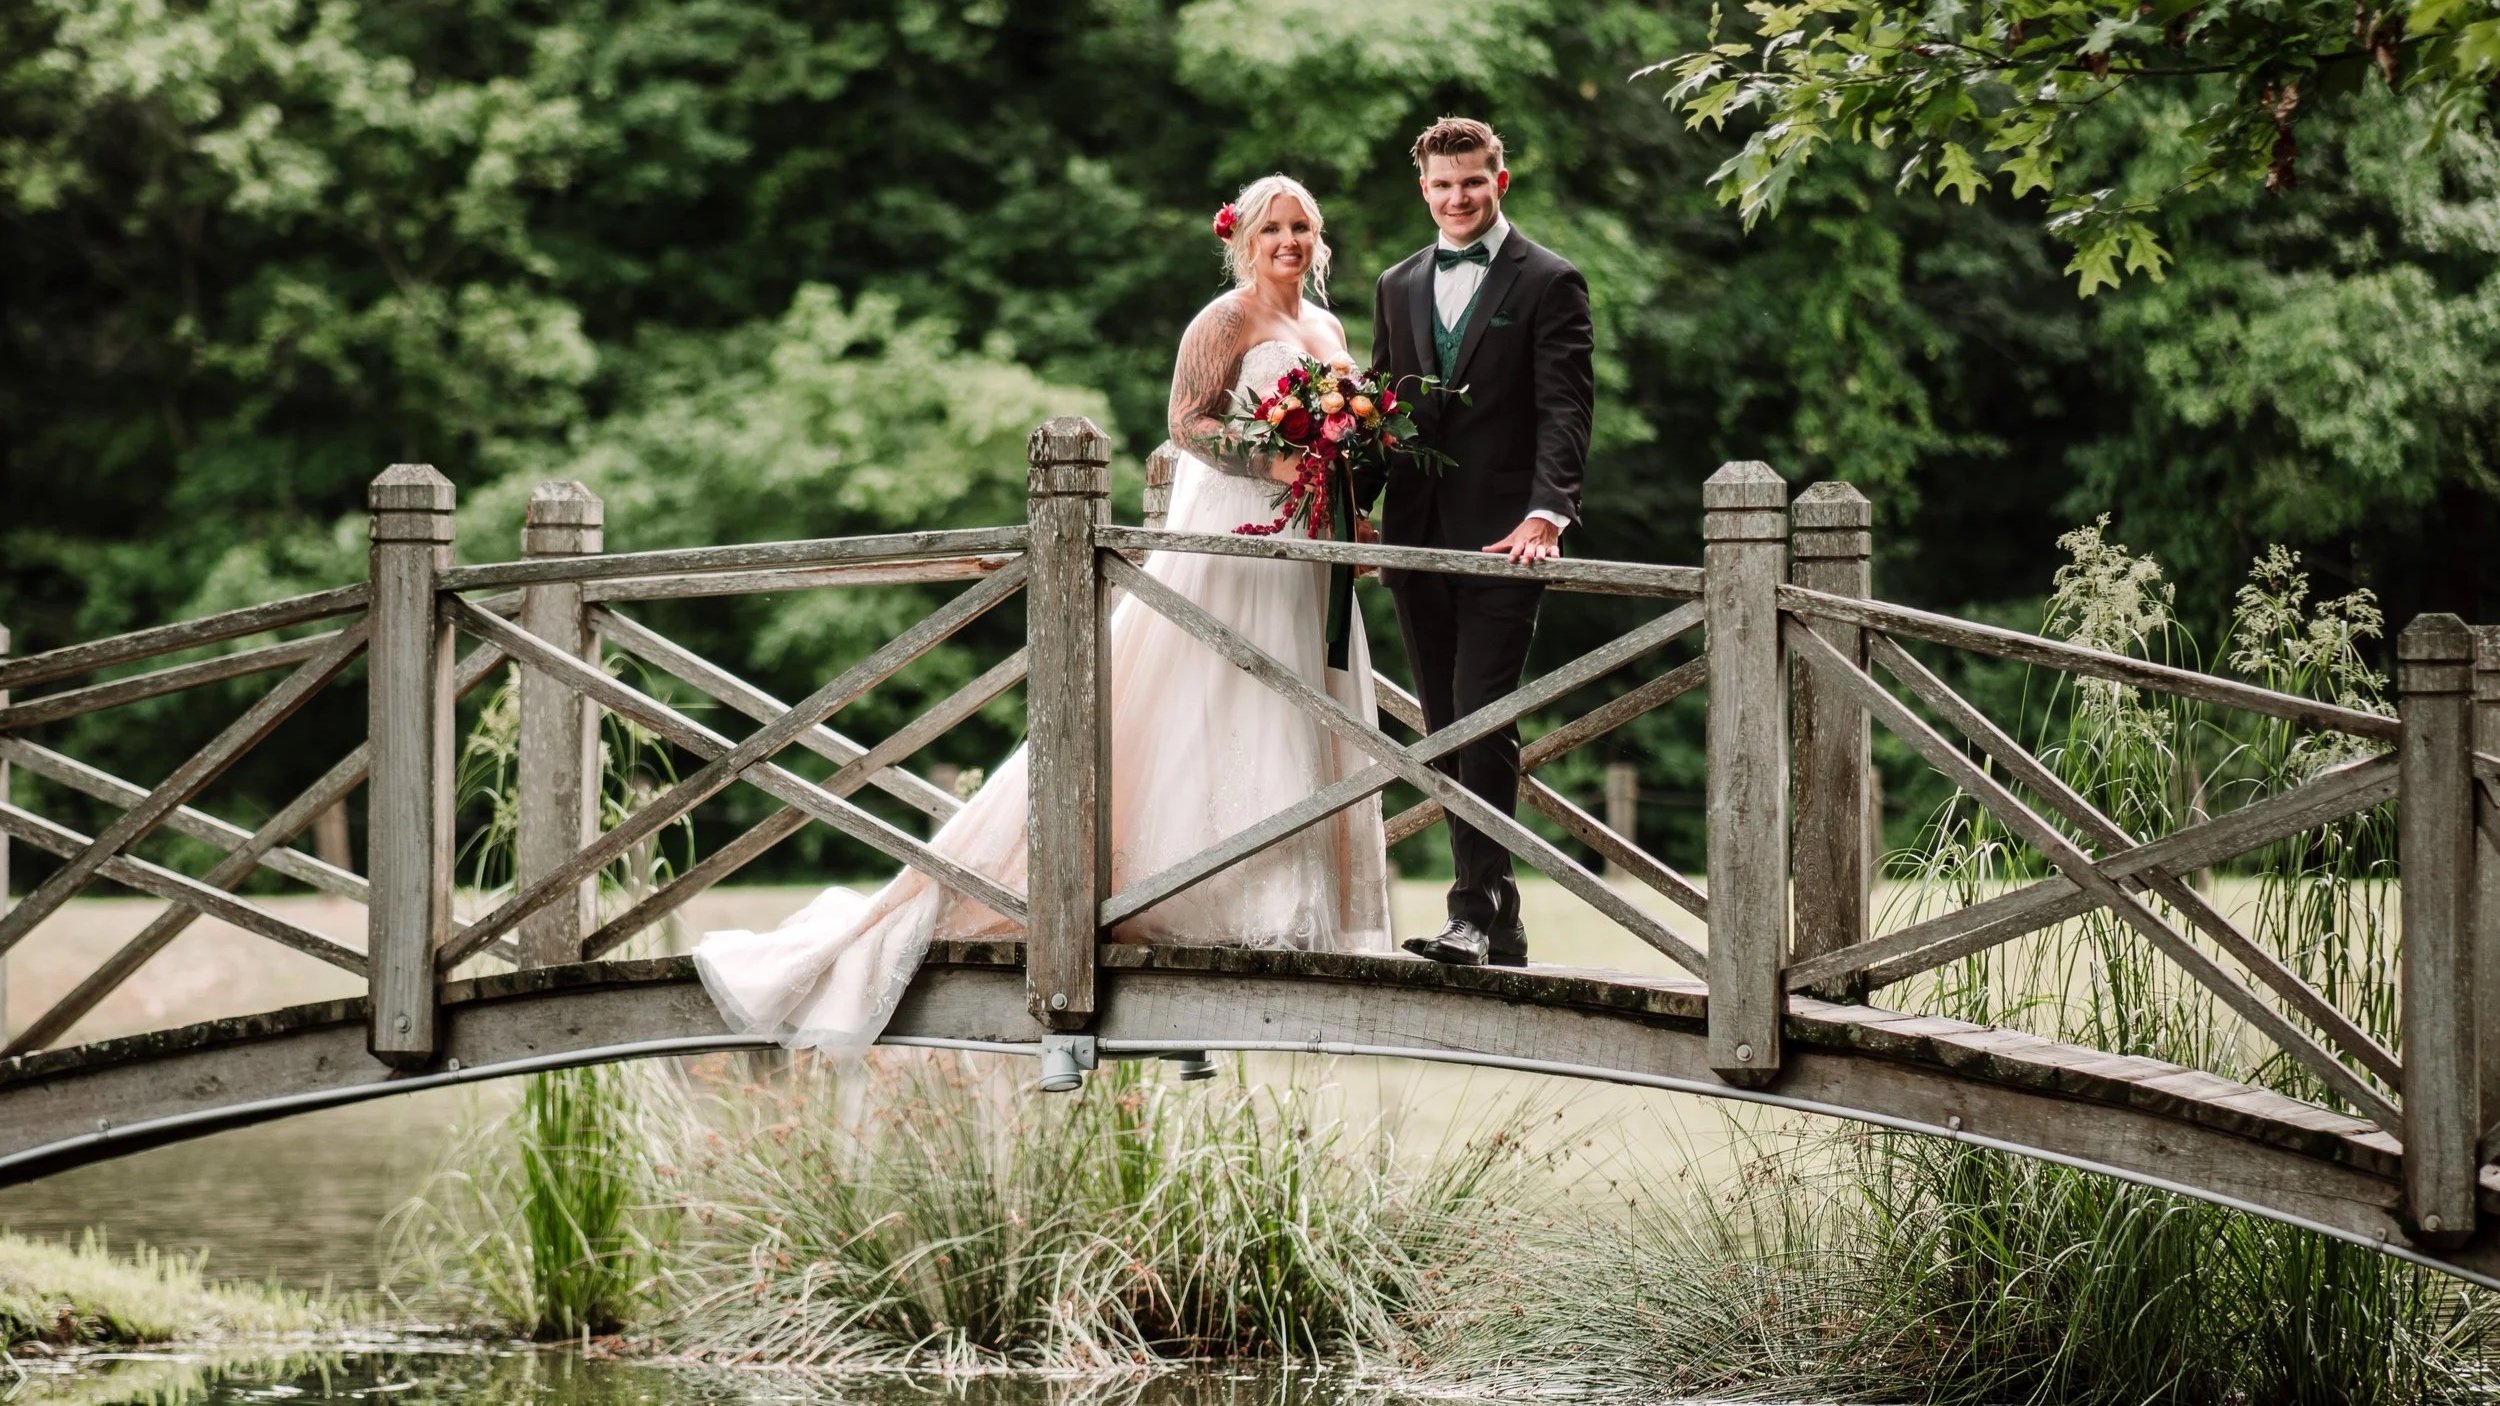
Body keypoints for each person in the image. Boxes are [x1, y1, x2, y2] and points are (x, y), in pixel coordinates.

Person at [695, 175, 1391, 1051]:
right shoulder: (1223, 322)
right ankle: (1197, 900)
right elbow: (1186, 423)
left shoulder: (1327, 329)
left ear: (1318, 239)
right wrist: (1273, 463)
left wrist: (1344, 486)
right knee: (1211, 703)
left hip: (1307, 553)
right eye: (1272, 229)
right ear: (1243, 241)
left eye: (1301, 228)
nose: (1288, 241)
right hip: (1234, 535)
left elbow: (1345, 432)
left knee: (1295, 701)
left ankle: (1284, 903)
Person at [1356, 116, 1595, 968]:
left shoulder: (1551, 281)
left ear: (1502, 179)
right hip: (1417, 540)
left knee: (1481, 714)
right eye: (1443, 184)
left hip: (1506, 540)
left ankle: (1468, 910)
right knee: (1448, 718)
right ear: (1423, 189)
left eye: (1474, 181)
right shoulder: (1396, 284)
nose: (1458, 197)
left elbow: (1565, 409)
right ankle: (1502, 918)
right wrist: (1351, 503)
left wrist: (1547, 513)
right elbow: (1383, 411)